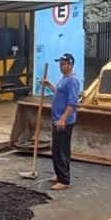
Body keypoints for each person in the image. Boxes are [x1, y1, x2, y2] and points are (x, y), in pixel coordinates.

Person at [42, 53, 82, 191]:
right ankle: (61, 174)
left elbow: (72, 102)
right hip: (58, 119)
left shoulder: (72, 80)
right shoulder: (65, 79)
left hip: (63, 121)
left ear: (70, 64)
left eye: (63, 64)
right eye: (60, 64)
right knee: (61, 149)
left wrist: (63, 118)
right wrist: (49, 85)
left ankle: (64, 179)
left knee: (59, 150)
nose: (60, 66)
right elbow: (60, 93)